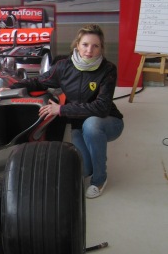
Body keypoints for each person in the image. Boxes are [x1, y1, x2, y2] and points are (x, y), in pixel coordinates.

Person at [9, 24, 124, 198]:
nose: (89, 50)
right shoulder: (64, 66)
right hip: (78, 123)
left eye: (95, 46)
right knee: (83, 169)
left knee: (92, 126)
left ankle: (100, 179)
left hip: (108, 121)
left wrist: (61, 109)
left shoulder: (108, 69)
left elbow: (101, 108)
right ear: (77, 45)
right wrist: (11, 87)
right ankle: (93, 162)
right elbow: (39, 82)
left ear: (101, 48)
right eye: (85, 44)